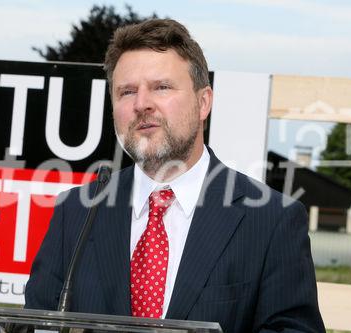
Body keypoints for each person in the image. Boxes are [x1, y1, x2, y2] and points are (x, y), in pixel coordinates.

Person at [25, 19, 325, 333]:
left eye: (161, 87)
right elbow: (35, 323)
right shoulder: (77, 212)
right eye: (127, 92)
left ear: (203, 101)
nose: (141, 104)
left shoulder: (271, 220)